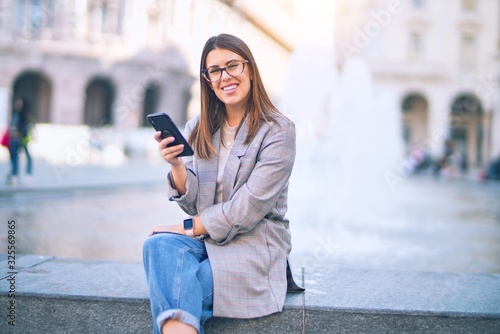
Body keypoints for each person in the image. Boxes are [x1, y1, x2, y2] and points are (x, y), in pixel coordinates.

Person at [143, 33, 304, 334]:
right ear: (206, 79)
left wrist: (185, 228)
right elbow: (194, 202)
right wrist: (176, 164)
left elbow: (247, 209)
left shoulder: (279, 131)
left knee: (182, 288)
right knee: (158, 244)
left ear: (250, 69)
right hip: (209, 241)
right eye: (214, 70)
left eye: (232, 66)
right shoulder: (198, 127)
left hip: (255, 246)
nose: (224, 77)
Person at [7, 97, 33, 186]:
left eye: (20, 104)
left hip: (21, 139)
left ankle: (25, 175)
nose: (18, 105)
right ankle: (15, 175)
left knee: (24, 157)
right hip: (16, 139)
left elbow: (27, 127)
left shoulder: (23, 115)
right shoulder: (17, 114)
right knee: (15, 157)